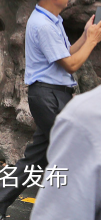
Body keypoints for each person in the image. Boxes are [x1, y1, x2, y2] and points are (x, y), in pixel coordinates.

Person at [0, 0, 101, 220]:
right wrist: (92, 41)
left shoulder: (52, 20)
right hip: (48, 96)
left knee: (37, 157)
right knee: (74, 151)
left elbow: (66, 52)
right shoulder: (43, 24)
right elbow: (71, 65)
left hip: (53, 95)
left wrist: (88, 35)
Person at [29, 84, 101, 219]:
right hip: (47, 94)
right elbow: (70, 65)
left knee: (38, 152)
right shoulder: (87, 116)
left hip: (60, 94)